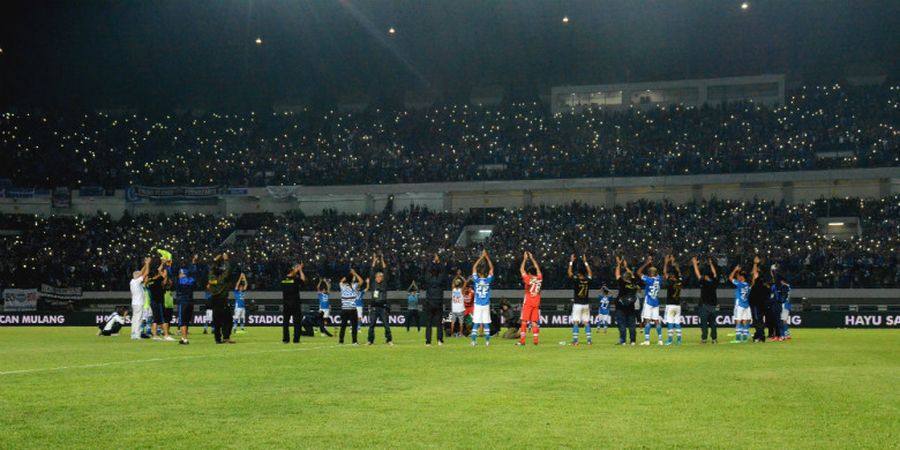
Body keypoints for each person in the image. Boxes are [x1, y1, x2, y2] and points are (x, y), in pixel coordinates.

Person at [367, 253, 394, 346]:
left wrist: (382, 259)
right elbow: (371, 270)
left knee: (386, 324)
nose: (379, 278)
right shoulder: (373, 283)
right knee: (372, 325)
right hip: (374, 306)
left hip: (383, 307)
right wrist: (374, 260)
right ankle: (370, 340)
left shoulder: (384, 283)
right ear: (375, 277)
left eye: (381, 276)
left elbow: (385, 270)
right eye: (378, 276)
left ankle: (389, 340)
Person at [567, 254, 593, 345]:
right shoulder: (587, 281)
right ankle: (589, 341)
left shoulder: (576, 280)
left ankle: (575, 341)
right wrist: (585, 262)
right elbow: (590, 273)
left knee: (576, 322)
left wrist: (571, 262)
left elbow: (569, 273)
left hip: (577, 304)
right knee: (586, 322)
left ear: (578, 274)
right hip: (586, 304)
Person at [208, 253, 234, 344]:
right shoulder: (221, 279)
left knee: (216, 320)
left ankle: (217, 339)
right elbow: (227, 271)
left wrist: (215, 261)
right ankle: (226, 337)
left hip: (214, 300)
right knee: (228, 319)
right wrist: (226, 260)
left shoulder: (211, 279)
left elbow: (211, 270)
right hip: (222, 300)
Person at [638, 256, 664, 346]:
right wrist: (651, 263)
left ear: (648, 274)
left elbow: (638, 272)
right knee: (657, 321)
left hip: (648, 301)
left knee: (647, 321)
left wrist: (646, 263)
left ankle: (647, 340)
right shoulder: (659, 279)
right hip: (656, 302)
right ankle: (660, 340)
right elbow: (655, 272)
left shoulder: (648, 280)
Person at [470, 250, 494, 346]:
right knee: (486, 323)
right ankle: (487, 342)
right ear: (485, 274)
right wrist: (487, 257)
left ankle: (473, 341)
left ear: (479, 274)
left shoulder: (476, 280)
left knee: (476, 323)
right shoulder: (488, 280)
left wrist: (481, 257)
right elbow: (492, 268)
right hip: (486, 304)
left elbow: (474, 268)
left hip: (478, 304)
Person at [518, 251, 542, 346]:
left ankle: (522, 341)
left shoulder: (528, 279)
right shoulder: (540, 278)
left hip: (528, 302)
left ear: (529, 273)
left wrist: (524, 259)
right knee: (534, 322)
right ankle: (535, 340)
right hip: (536, 302)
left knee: (524, 321)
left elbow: (521, 270)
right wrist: (532, 258)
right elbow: (538, 269)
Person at [692, 256, 718, 344]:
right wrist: (711, 264)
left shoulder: (704, 282)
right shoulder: (714, 282)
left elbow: (697, 274)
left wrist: (695, 264)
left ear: (706, 276)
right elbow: (715, 274)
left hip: (704, 306)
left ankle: (704, 339)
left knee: (704, 324)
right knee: (713, 324)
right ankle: (714, 339)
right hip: (713, 306)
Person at [614, 256, 639, 345]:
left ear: (624, 278)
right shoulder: (634, 284)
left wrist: (618, 264)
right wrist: (626, 267)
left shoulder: (622, 283)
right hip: (631, 307)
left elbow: (617, 275)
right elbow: (632, 275)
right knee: (632, 325)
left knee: (622, 324)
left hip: (621, 307)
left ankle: (623, 341)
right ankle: (633, 341)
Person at [728, 259, 754, 344]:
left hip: (739, 305)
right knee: (746, 320)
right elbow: (753, 283)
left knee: (738, 320)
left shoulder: (739, 284)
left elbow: (730, 278)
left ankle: (738, 339)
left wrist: (735, 270)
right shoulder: (748, 285)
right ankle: (745, 338)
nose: (738, 278)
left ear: (742, 278)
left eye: (739, 277)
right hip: (746, 305)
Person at [146, 263, 174, 341]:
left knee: (155, 319)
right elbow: (164, 277)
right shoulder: (158, 279)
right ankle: (166, 335)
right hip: (159, 302)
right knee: (163, 319)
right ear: (157, 273)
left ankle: (155, 336)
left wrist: (161, 264)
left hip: (153, 302)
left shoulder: (150, 281)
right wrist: (165, 267)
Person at [281, 263, 306, 344]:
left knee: (285, 323)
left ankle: (286, 339)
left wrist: (295, 269)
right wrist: (300, 270)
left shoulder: (283, 279)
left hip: (286, 304)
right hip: (295, 304)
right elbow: (303, 280)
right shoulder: (295, 280)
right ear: (292, 271)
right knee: (297, 323)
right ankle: (296, 340)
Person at [423, 255, 445, 346]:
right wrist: (438, 262)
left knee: (428, 323)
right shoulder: (440, 279)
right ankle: (439, 340)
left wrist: (432, 262)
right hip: (438, 301)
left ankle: (428, 341)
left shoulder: (428, 279)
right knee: (439, 323)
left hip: (429, 302)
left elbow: (428, 270)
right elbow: (442, 271)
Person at [339, 268, 364, 345]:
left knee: (343, 326)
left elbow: (341, 281)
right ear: (352, 279)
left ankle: (341, 341)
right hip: (352, 309)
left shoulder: (342, 286)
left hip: (344, 309)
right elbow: (361, 281)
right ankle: (354, 341)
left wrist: (348, 276)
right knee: (354, 326)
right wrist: (354, 273)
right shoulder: (354, 286)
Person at [662, 255, 684, 346]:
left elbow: (664, 273)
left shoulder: (670, 282)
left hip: (670, 305)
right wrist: (675, 265)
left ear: (671, 276)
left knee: (670, 322)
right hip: (678, 305)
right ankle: (679, 340)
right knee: (677, 322)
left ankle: (670, 340)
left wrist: (666, 262)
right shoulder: (679, 281)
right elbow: (679, 273)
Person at [129, 257, 151, 340]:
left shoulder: (132, 281)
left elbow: (141, 273)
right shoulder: (137, 282)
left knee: (135, 319)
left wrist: (145, 264)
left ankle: (133, 333)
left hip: (134, 303)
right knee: (138, 319)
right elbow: (146, 273)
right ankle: (137, 335)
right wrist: (148, 264)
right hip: (138, 303)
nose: (141, 275)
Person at [174, 267, 197, 345]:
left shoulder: (179, 281)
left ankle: (185, 339)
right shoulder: (192, 280)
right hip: (190, 302)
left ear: (182, 273)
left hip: (183, 302)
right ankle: (183, 338)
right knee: (186, 321)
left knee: (183, 321)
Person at [767, 268, 784, 341]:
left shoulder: (780, 286)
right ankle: (777, 335)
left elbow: (779, 297)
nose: (774, 279)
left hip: (777, 305)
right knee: (775, 321)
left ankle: (780, 335)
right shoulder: (774, 286)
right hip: (773, 305)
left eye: (775, 278)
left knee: (778, 321)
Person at [448, 270, 466, 337]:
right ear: (460, 284)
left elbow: (452, 282)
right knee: (461, 323)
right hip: (460, 309)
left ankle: (452, 334)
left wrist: (456, 276)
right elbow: (466, 282)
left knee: (453, 322)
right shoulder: (461, 290)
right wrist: (460, 276)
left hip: (454, 309)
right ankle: (461, 334)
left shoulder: (453, 290)